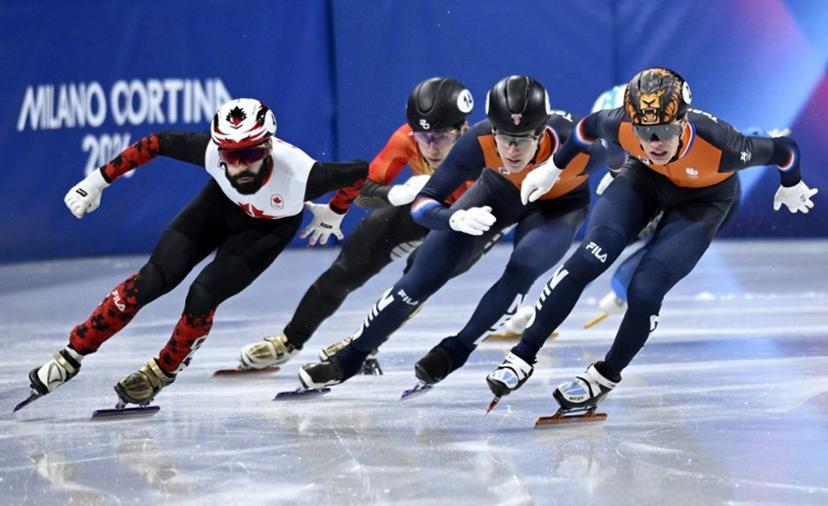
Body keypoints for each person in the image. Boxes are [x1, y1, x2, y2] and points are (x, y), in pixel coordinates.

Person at [485, 67, 818, 416]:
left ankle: (604, 376)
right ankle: (523, 355)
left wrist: (791, 183)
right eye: (645, 132)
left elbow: (785, 149)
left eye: (664, 131)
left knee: (644, 290)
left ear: (683, 122)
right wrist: (553, 167)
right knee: (589, 258)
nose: (654, 142)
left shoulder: (723, 144)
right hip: (644, 181)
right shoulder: (622, 124)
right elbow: (586, 128)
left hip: (704, 201)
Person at [18, 98, 367, 409]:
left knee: (203, 293)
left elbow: (358, 172)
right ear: (220, 151)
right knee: (151, 280)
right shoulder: (209, 151)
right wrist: (97, 181)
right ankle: (71, 354)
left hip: (267, 229)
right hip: (219, 206)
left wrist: (336, 211)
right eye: (232, 156)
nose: (241, 166)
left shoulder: (304, 174)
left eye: (251, 154)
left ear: (269, 147)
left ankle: (163, 370)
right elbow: (155, 143)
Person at [298, 75, 614, 390]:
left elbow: (622, 150)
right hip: (498, 192)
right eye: (504, 138)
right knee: (421, 276)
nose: (512, 150)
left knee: (523, 267)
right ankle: (351, 357)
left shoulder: (579, 146)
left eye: (522, 139)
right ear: (492, 129)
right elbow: (423, 204)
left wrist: (618, 176)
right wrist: (452, 219)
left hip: (558, 206)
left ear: (542, 132)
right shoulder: (478, 140)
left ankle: (458, 349)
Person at [236, 78, 482, 372]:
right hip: (420, 208)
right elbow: (364, 192)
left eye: (441, 137)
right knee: (343, 271)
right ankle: (289, 341)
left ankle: (365, 343)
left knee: (415, 279)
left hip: (467, 224)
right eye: (422, 136)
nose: (430, 147)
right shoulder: (405, 139)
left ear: (462, 129)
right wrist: (393, 194)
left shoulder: (482, 152)